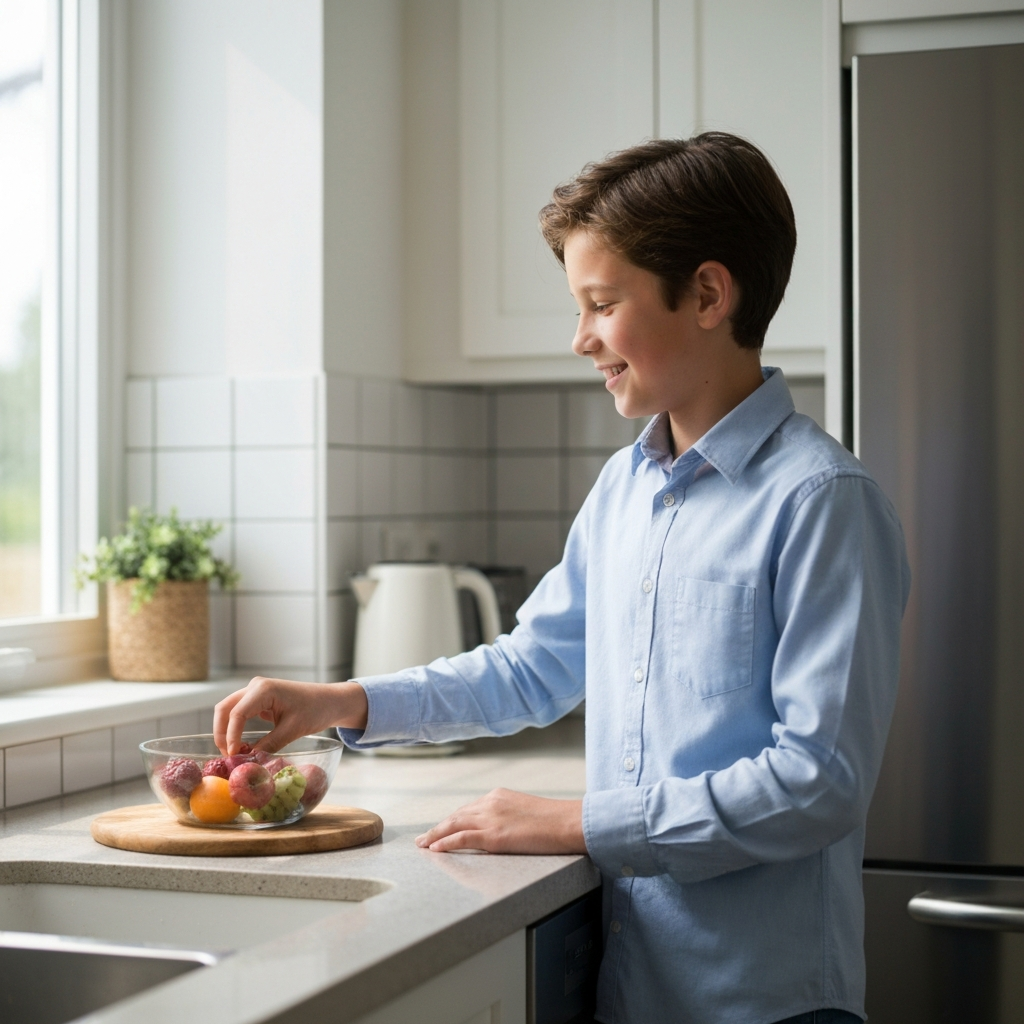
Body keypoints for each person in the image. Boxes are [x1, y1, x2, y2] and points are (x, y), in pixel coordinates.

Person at [214, 133, 910, 1024]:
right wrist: (344, 702)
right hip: (635, 988)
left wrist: (577, 823)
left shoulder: (823, 503)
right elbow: (533, 665)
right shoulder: (626, 486)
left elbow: (816, 783)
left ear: (706, 294)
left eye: (601, 303)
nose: (580, 337)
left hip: (762, 1003)